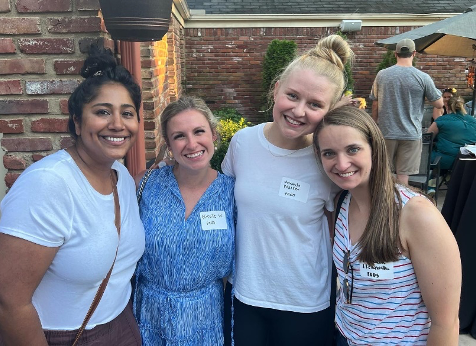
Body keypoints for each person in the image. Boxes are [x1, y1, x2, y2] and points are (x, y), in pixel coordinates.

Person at [0, 45, 145, 345]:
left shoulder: (123, 179)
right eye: (102, 112)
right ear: (77, 122)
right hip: (64, 337)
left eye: (127, 113)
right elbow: (8, 302)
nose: (117, 123)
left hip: (121, 325)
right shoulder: (48, 185)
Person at [222, 34, 353, 345]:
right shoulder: (243, 142)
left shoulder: (329, 160)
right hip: (246, 295)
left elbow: (346, 223)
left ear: (330, 109)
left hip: (305, 301)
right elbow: (217, 197)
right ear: (276, 88)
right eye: (292, 96)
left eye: (315, 104)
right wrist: (172, 173)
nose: (299, 111)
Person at [314, 105, 461, 345]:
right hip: (344, 335)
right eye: (329, 153)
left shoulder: (416, 215)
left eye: (353, 149)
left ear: (374, 148)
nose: (341, 164)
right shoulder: (341, 202)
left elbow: (446, 323)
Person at [133, 96, 235, 345]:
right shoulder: (145, 184)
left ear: (214, 135)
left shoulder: (233, 192)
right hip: (149, 316)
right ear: (168, 144)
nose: (191, 144)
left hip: (207, 318)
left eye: (199, 131)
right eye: (179, 136)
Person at [370, 38, 443, 185]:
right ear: (414, 53)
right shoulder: (423, 77)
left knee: (384, 174)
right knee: (403, 177)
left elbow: (375, 103)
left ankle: (384, 205)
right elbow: (439, 103)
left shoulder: (382, 75)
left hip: (386, 133)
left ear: (395, 54)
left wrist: (375, 123)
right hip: (411, 134)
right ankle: (400, 206)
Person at [428, 96, 476, 170]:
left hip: (445, 160)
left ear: (447, 107)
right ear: (463, 106)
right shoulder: (473, 120)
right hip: (468, 162)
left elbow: (427, 139)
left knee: (421, 157)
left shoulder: (441, 120)